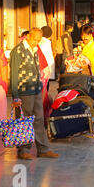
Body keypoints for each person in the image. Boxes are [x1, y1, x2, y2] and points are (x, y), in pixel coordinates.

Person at [10, 28, 59, 160]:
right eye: (35, 39)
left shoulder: (35, 50)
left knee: (39, 119)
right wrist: (15, 95)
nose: (36, 42)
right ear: (29, 36)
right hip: (24, 91)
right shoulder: (18, 50)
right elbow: (13, 74)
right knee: (24, 120)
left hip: (36, 89)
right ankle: (23, 150)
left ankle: (43, 149)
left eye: (38, 40)